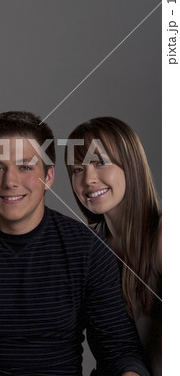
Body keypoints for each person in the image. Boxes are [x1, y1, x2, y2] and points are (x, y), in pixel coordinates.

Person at [0, 111, 149, 376]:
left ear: (49, 177)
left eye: (25, 167)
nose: (11, 182)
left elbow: (119, 350)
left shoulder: (88, 249)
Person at [65, 116, 161, 376]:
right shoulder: (87, 247)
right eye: (77, 169)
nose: (88, 179)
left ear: (131, 165)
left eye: (101, 162)